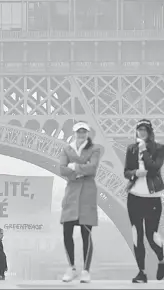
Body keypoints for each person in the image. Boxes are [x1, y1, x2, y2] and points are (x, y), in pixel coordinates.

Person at [124, 119, 164, 283]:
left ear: (150, 131)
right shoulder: (131, 149)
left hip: (152, 198)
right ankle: (141, 272)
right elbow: (126, 172)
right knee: (137, 235)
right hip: (135, 197)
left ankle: (162, 259)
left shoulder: (160, 148)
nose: (141, 132)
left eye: (144, 129)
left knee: (151, 236)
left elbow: (154, 168)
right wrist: (135, 172)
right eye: (139, 129)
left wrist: (143, 150)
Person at [59, 121, 101, 283]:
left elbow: (93, 168)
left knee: (86, 233)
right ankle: (71, 267)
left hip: (86, 195)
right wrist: (80, 170)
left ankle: (86, 270)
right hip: (71, 195)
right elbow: (62, 169)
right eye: (79, 131)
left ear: (87, 133)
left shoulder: (94, 148)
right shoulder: (67, 148)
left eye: (84, 131)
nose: (81, 134)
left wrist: (74, 166)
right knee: (67, 232)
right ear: (75, 133)